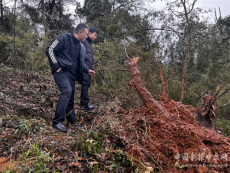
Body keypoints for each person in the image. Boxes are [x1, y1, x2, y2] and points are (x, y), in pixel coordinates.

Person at [45, 23, 95, 133]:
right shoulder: (64, 38)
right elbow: (49, 49)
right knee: (67, 91)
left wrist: (87, 70)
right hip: (61, 72)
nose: (87, 37)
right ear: (80, 32)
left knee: (71, 97)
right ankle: (57, 121)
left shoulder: (81, 47)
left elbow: (80, 62)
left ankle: (72, 123)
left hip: (72, 75)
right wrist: (56, 66)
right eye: (86, 34)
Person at [79, 28, 98, 110]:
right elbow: (80, 51)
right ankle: (84, 104)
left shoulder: (89, 43)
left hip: (88, 66)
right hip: (84, 66)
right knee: (85, 83)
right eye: (95, 35)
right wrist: (87, 59)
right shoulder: (84, 41)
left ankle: (84, 103)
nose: (95, 37)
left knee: (87, 85)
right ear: (90, 33)